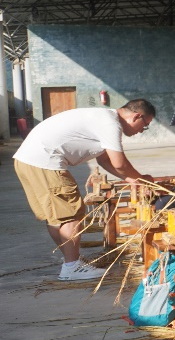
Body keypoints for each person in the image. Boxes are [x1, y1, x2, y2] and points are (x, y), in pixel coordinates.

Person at [14, 99, 156, 280]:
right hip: (45, 162)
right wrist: (141, 179)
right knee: (71, 213)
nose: (140, 132)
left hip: (28, 160)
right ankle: (72, 267)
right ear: (137, 116)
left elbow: (104, 160)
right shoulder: (110, 123)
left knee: (55, 216)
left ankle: (71, 260)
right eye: (144, 126)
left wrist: (132, 180)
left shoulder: (104, 118)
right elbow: (119, 163)